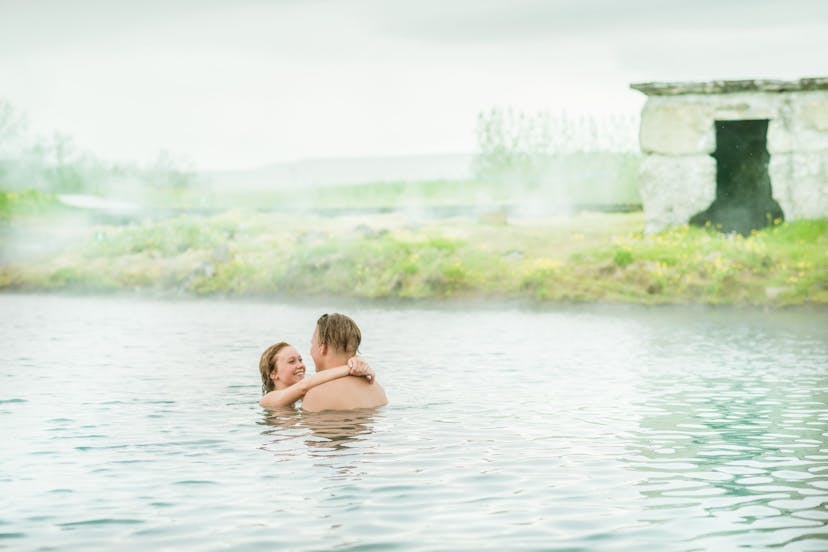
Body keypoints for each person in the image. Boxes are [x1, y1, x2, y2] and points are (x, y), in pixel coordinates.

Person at [301, 313, 388, 412]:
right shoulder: (377, 390)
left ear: (323, 348)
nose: (311, 349)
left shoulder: (316, 395)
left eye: (312, 343)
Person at [259, 341, 374, 409]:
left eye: (300, 360)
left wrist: (356, 361)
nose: (300, 365)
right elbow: (303, 386)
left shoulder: (303, 397)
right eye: (292, 361)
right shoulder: (268, 399)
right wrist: (350, 368)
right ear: (273, 374)